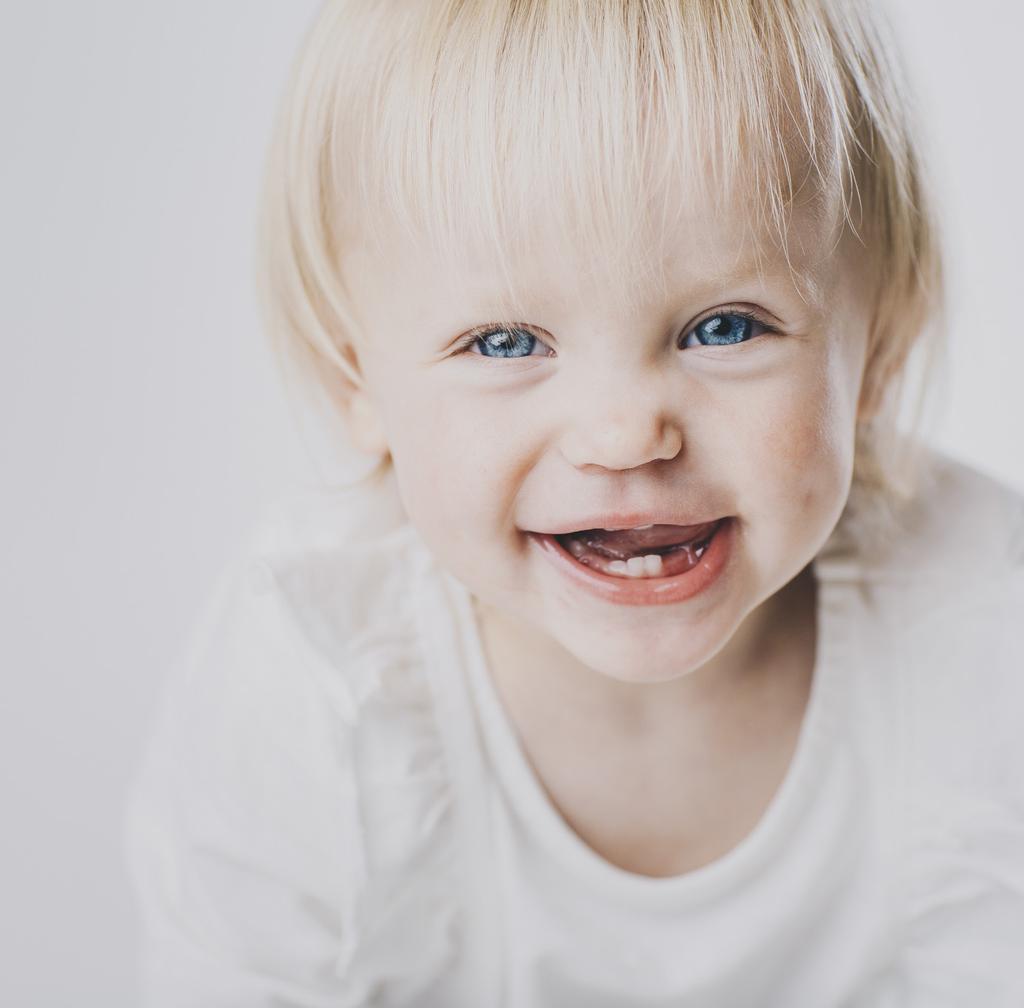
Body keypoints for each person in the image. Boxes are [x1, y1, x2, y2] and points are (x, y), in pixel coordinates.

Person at [124, 1, 1024, 1005]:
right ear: (357, 382)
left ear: (880, 353)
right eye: (506, 344)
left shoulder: (979, 624)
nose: (623, 433)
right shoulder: (322, 676)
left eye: (725, 327)